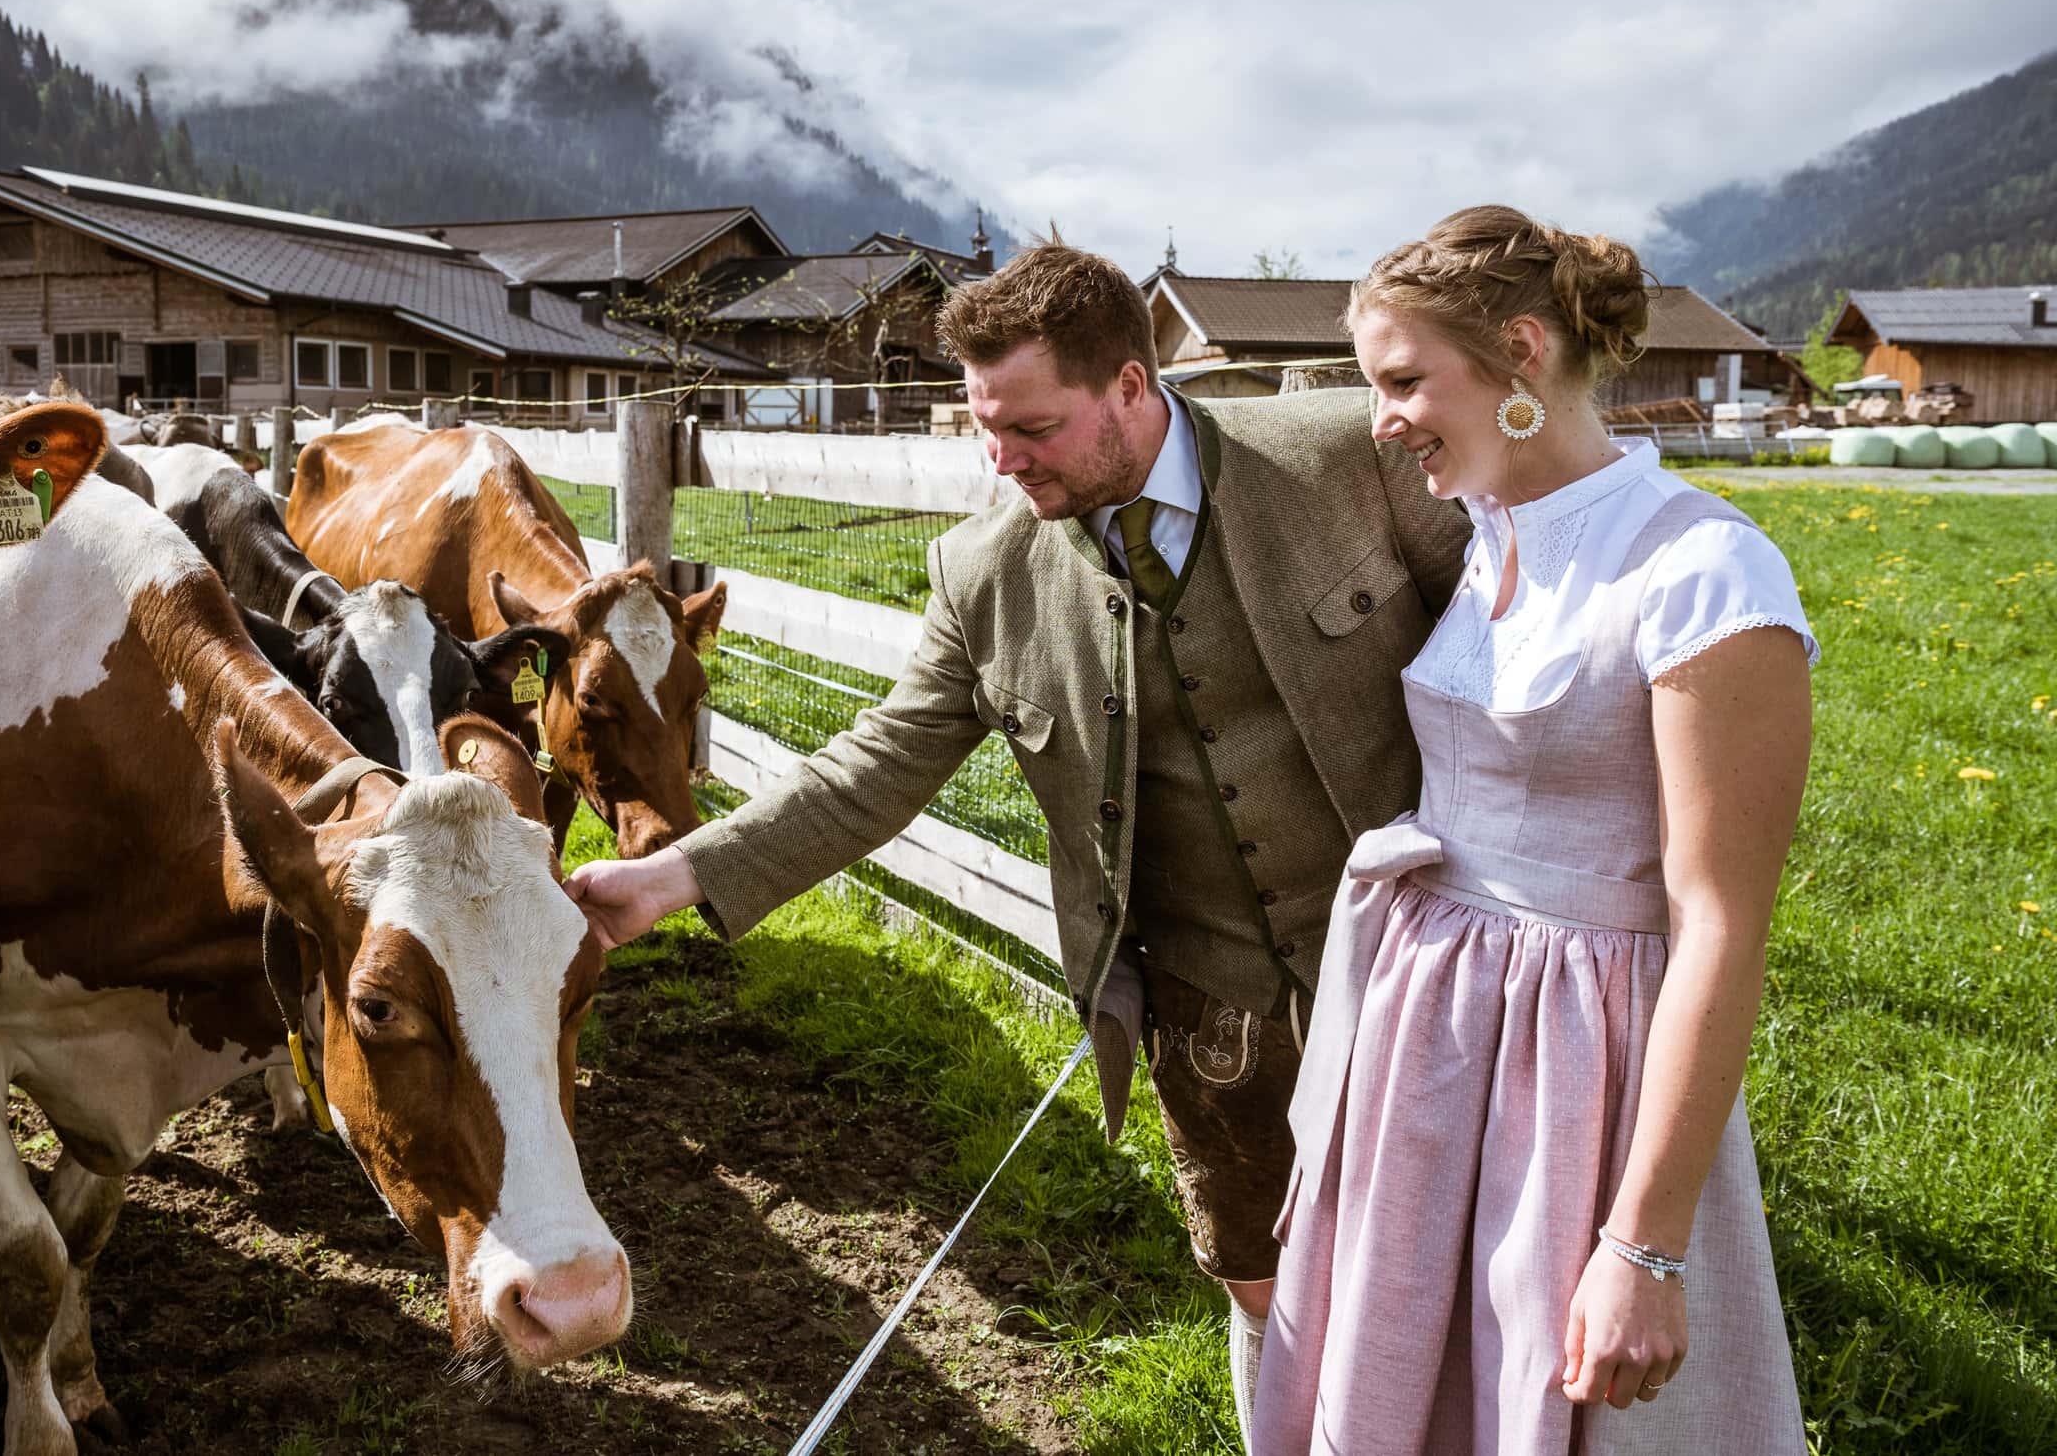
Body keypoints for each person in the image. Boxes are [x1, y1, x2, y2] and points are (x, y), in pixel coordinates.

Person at [568, 241, 1469, 1435]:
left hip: (1436, 963)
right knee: (1264, 1284)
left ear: (1132, 389)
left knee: (1458, 1263)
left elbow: (1529, 638)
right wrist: (665, 882)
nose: (1001, 459)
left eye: (1032, 427)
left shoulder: (1353, 459)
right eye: (984, 425)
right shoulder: (982, 573)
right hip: (1214, 1006)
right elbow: (869, 772)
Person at [1251, 206, 1815, 1455]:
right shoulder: (1489, 535)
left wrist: (1641, 1246)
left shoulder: (1701, 571)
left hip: (1576, 1060)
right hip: (1428, 1032)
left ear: (1517, 352)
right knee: (1410, 1373)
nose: (1382, 419)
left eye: (1403, 380)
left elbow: (1718, 927)